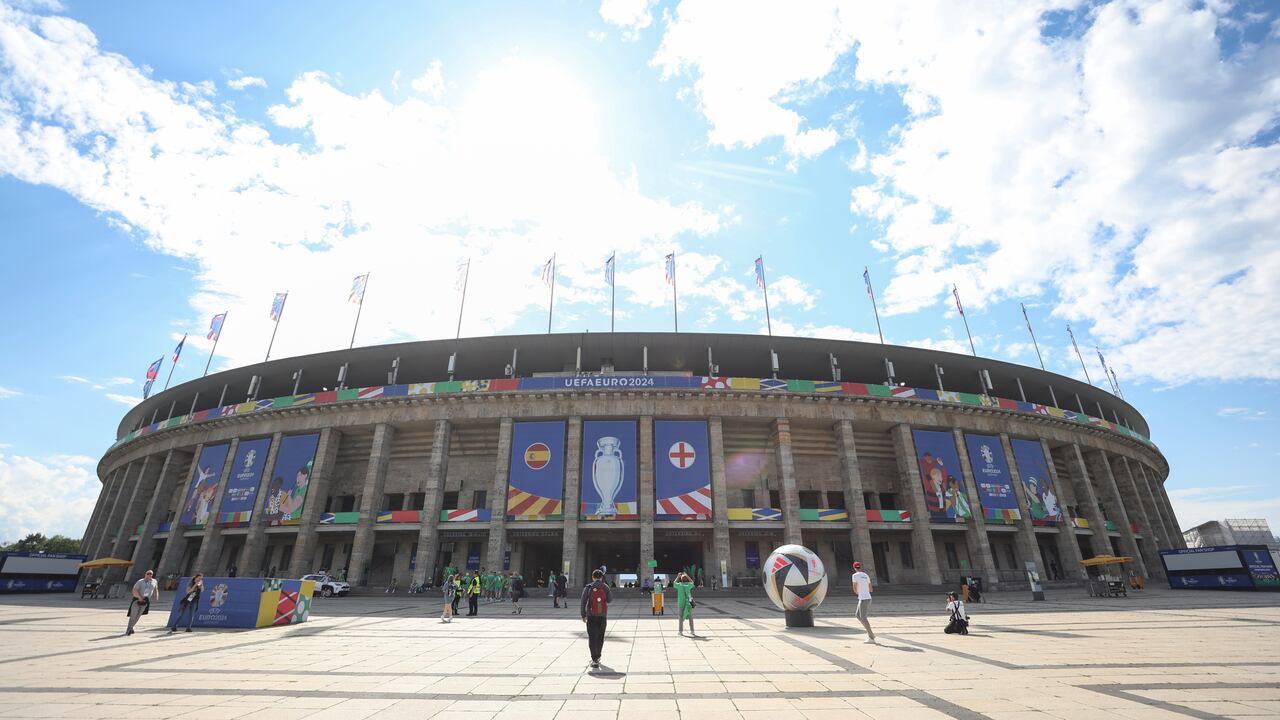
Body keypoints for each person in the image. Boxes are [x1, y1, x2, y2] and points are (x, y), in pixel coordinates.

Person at [580, 568, 612, 670]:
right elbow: (610, 600)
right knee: (600, 637)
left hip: (591, 615)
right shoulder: (605, 586)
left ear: (593, 577)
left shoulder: (588, 587)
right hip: (602, 616)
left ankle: (594, 659)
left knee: (592, 637)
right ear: (601, 577)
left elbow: (583, 601)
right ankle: (598, 656)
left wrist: (583, 615)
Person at [125, 569, 160, 636]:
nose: (149, 575)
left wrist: (156, 596)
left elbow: (155, 589)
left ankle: (131, 628)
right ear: (145, 574)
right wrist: (139, 597)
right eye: (148, 573)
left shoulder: (154, 581)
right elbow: (134, 590)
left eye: (151, 574)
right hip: (137, 600)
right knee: (133, 615)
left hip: (146, 601)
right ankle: (129, 629)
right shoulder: (140, 582)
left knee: (138, 616)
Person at [851, 561, 876, 644]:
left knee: (863, 617)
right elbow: (871, 589)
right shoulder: (865, 575)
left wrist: (858, 592)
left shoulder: (854, 575)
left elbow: (854, 588)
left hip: (863, 599)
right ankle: (870, 634)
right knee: (857, 615)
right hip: (868, 597)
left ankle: (871, 636)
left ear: (854, 568)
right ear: (860, 567)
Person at [673, 571, 697, 636]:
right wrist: (687, 576)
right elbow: (692, 582)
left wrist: (678, 576)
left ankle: (680, 632)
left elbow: (674, 583)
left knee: (680, 617)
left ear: (681, 580)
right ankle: (692, 631)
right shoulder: (689, 585)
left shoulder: (679, 585)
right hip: (688, 604)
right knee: (690, 618)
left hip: (681, 604)